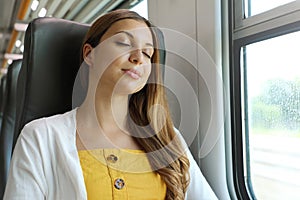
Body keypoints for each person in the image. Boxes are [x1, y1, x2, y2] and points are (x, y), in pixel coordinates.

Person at [4, 9, 217, 200]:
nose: (138, 58)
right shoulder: (40, 137)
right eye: (124, 43)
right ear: (89, 54)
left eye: (147, 53)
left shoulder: (168, 140)